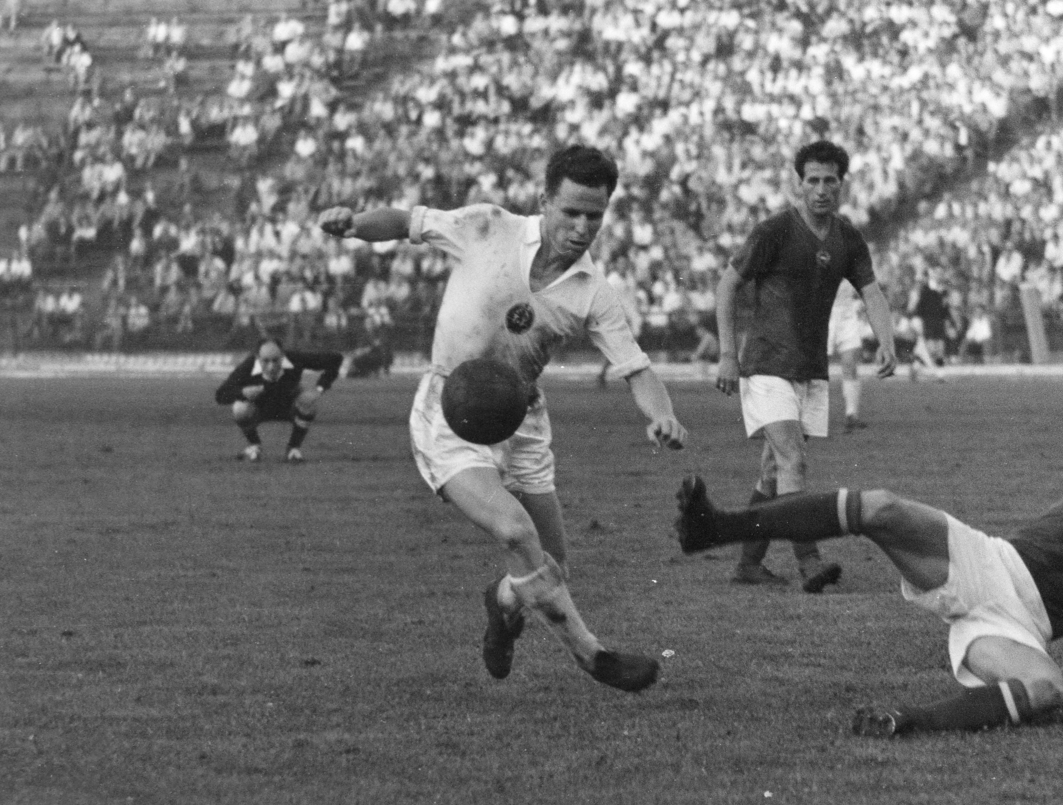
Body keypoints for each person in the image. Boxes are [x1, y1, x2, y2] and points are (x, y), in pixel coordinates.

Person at [317, 145, 686, 693]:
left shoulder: (592, 293)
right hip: (449, 410)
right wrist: (353, 225)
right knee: (516, 532)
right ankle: (595, 657)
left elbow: (635, 367)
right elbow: (407, 221)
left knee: (550, 564)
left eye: (595, 215)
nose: (583, 227)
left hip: (523, 419)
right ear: (544, 201)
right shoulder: (488, 226)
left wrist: (663, 416)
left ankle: (502, 601)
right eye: (571, 212)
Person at [674, 449, 1063, 736]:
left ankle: (905, 720)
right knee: (880, 508)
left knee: (1047, 688)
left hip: (1017, 627)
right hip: (989, 564)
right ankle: (714, 528)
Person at [714, 140, 896, 594]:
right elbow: (727, 286)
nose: (820, 189)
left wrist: (887, 341)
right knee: (793, 459)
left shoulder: (847, 237)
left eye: (829, 180)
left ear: (841, 184)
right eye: (811, 180)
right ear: (798, 184)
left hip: (810, 368)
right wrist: (726, 355)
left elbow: (871, 291)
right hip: (766, 363)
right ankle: (809, 560)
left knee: (774, 472)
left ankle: (748, 564)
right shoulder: (774, 230)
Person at [214, 339, 343, 462]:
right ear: (258, 358)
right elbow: (221, 395)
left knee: (309, 402)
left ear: (282, 356)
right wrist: (242, 392)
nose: (271, 367)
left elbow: (336, 359)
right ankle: (254, 445)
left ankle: (293, 449)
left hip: (290, 408)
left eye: (276, 360)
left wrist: (318, 389)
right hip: (260, 411)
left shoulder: (294, 358)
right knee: (239, 408)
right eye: (265, 361)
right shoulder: (248, 366)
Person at [826, 280, 869, 431]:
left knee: (849, 363)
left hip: (847, 313)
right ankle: (807, 415)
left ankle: (852, 414)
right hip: (824, 312)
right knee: (816, 365)